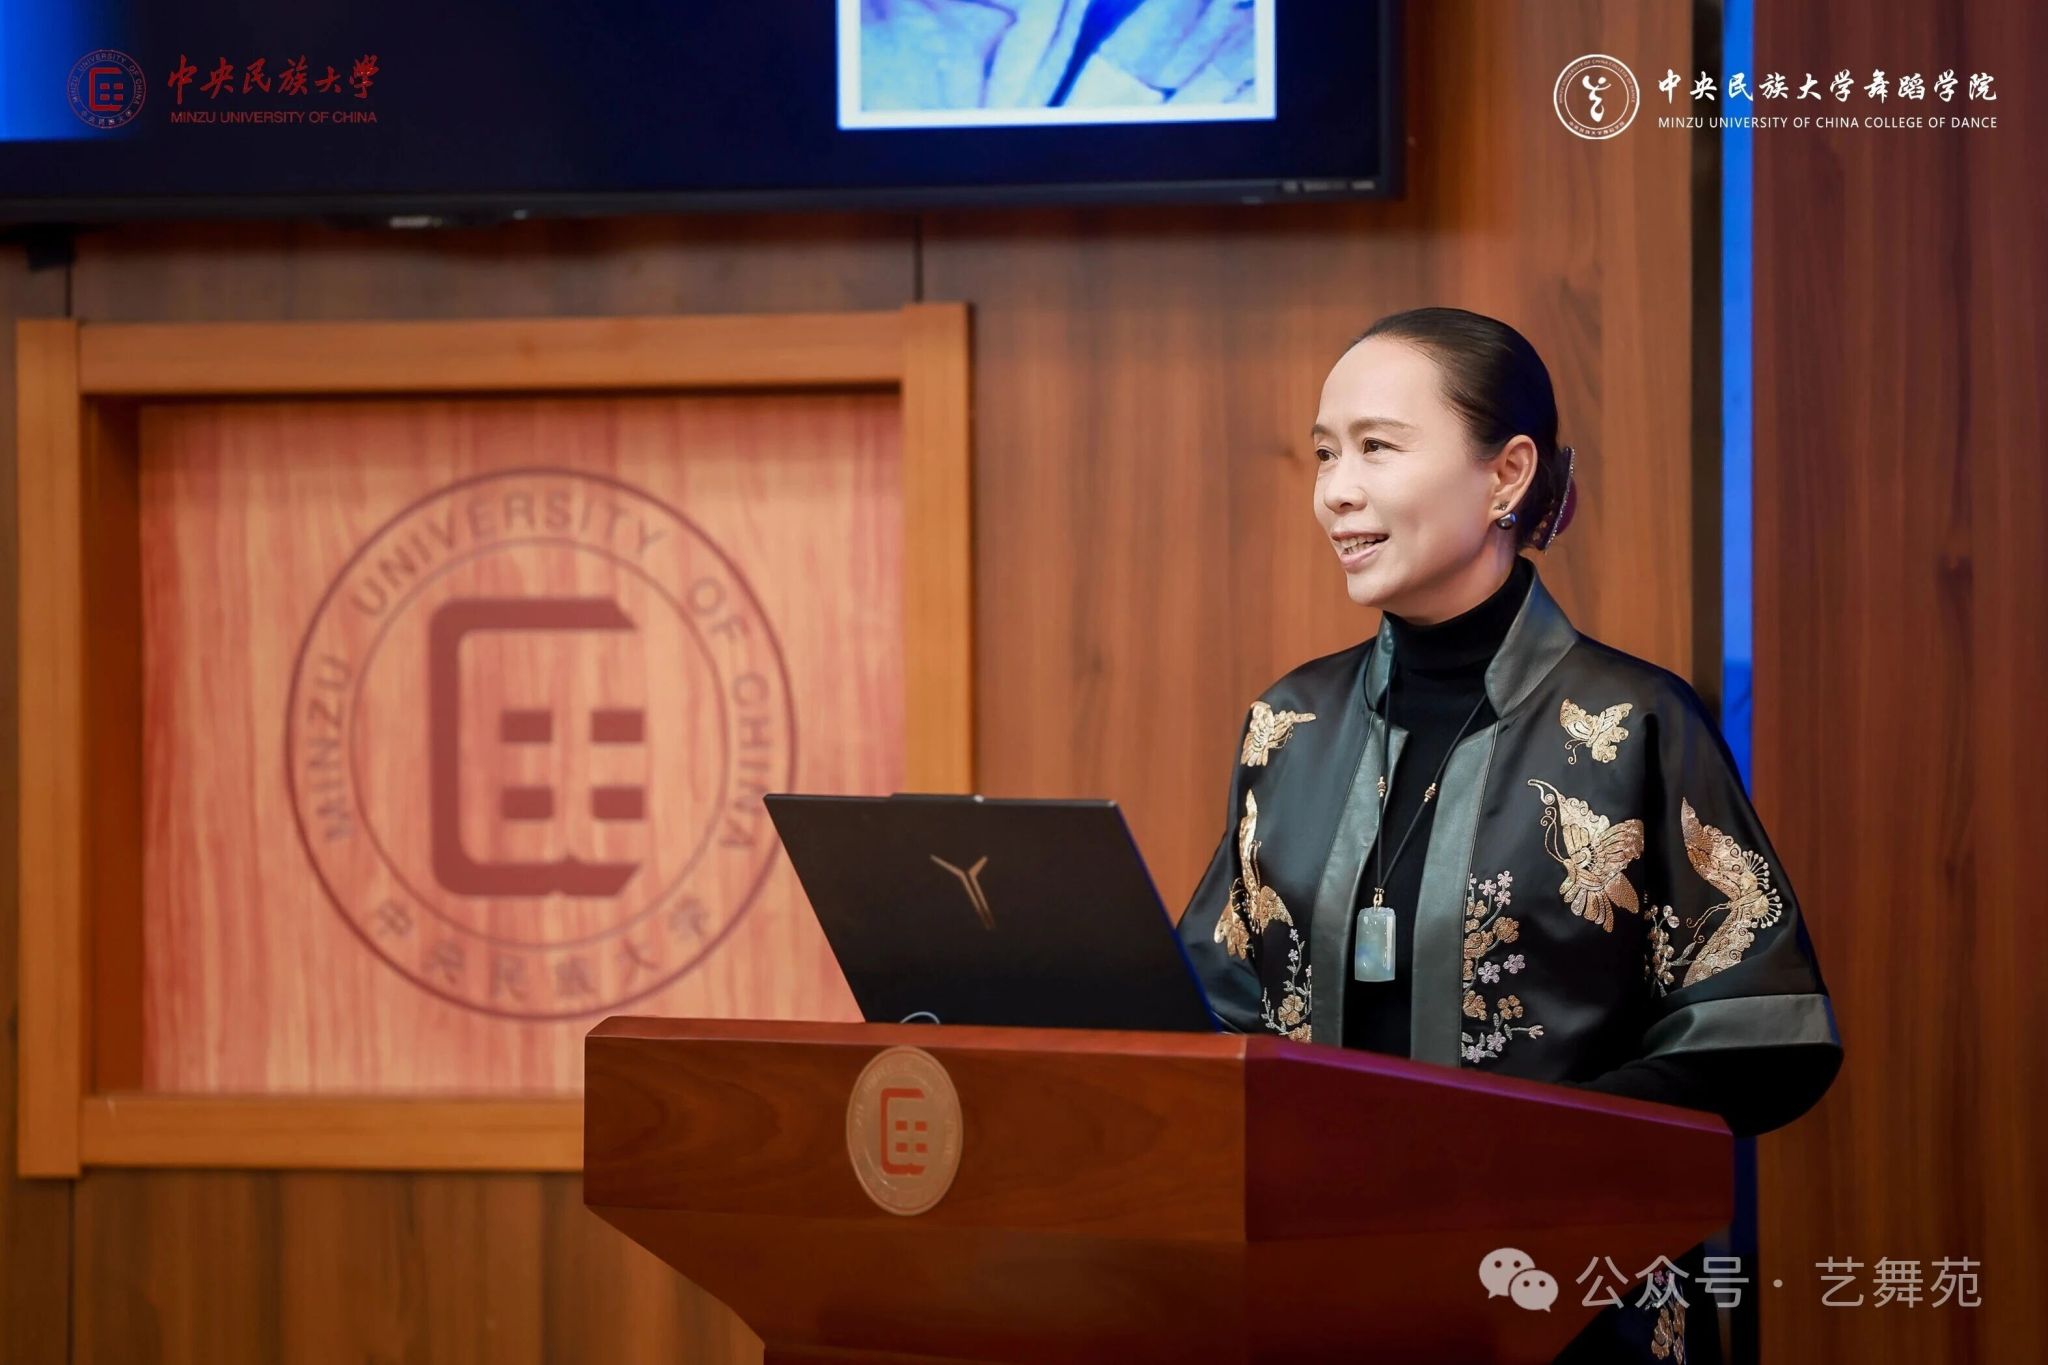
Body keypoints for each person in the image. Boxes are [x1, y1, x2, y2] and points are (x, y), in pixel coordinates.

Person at [1176, 307, 1842, 1363]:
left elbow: (1761, 1035)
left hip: (1569, 1304)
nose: (1335, 489)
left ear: (1507, 475)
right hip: (1320, 1298)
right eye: (1325, 453)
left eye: (1377, 447)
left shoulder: (1629, 723)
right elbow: (1211, 1011)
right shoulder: (1289, 726)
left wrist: (1530, 1151)